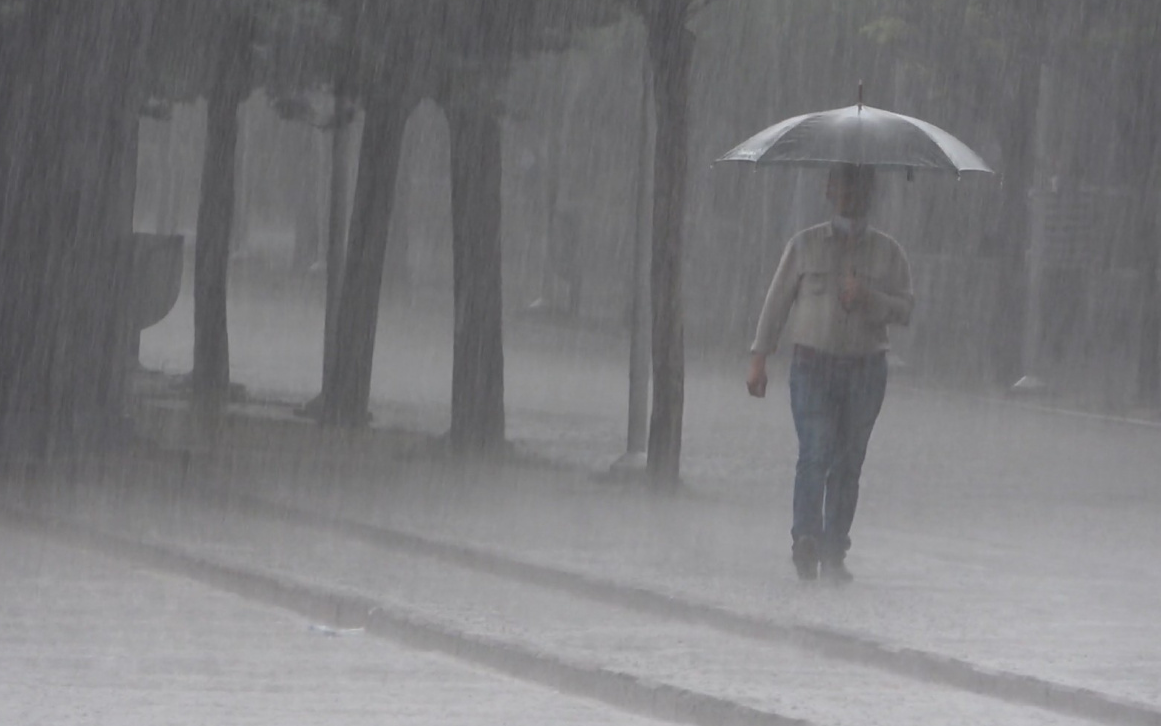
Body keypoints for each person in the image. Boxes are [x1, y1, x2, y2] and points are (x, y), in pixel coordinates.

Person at [746, 163, 914, 583]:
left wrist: (867, 297)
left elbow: (905, 308)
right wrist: (759, 357)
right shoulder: (804, 246)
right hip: (812, 365)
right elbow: (777, 302)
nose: (849, 193)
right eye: (841, 184)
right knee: (815, 452)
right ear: (828, 189)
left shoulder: (888, 252)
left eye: (858, 185)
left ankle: (835, 548)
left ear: (870, 192)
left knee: (848, 462)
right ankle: (806, 537)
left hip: (865, 368)